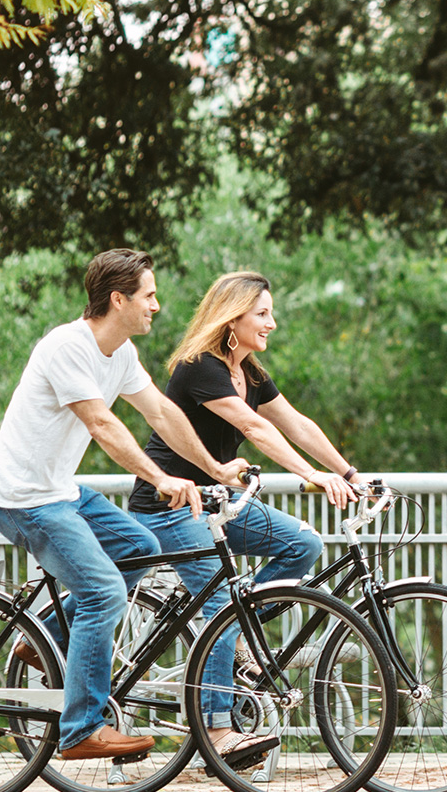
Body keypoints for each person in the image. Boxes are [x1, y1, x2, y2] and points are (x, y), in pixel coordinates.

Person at [0, 248, 247, 763]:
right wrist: (159, 477)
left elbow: (161, 413)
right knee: (102, 592)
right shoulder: (67, 347)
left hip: (60, 490)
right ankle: (81, 728)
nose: (157, 306)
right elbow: (101, 424)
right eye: (149, 296)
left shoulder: (120, 353)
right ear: (118, 299)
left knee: (140, 547)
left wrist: (212, 468)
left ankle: (46, 636)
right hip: (21, 498)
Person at [129, 270, 363, 761]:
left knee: (303, 544)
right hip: (170, 507)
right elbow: (253, 428)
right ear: (232, 318)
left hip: (218, 504)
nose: (271, 323)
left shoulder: (250, 372)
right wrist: (310, 475)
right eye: (262, 313)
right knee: (220, 607)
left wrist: (347, 472)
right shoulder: (200, 367)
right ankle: (217, 731)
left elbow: (295, 423)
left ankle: (237, 640)